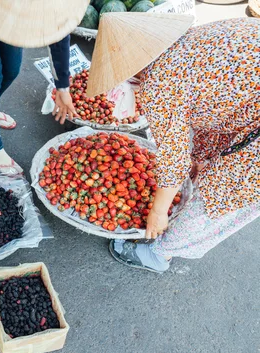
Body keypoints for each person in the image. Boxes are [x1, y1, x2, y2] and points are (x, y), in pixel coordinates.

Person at [85, 13, 260, 273]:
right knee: (215, 179)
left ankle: (160, 253)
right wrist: (201, 158)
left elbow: (174, 159)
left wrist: (158, 212)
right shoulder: (192, 37)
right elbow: (221, 102)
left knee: (222, 193)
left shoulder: (159, 82)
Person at [0, 0, 88, 174]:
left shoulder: (50, 6)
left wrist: (63, 87)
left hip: (13, 14)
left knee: (12, 69)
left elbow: (58, 33)